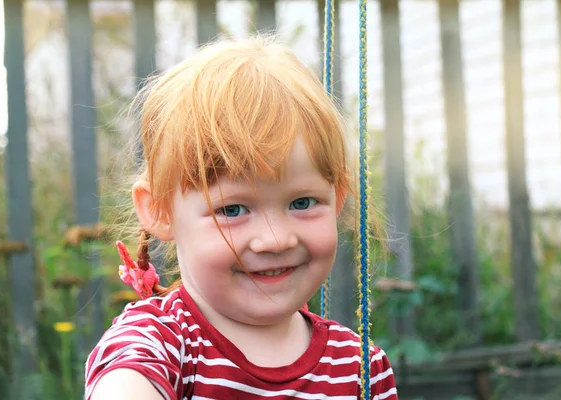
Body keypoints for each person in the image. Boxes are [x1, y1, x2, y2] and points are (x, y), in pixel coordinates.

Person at [84, 35, 398, 400]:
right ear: (160, 210)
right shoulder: (159, 343)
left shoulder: (361, 369)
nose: (276, 239)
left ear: (338, 197)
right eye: (232, 210)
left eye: (302, 202)